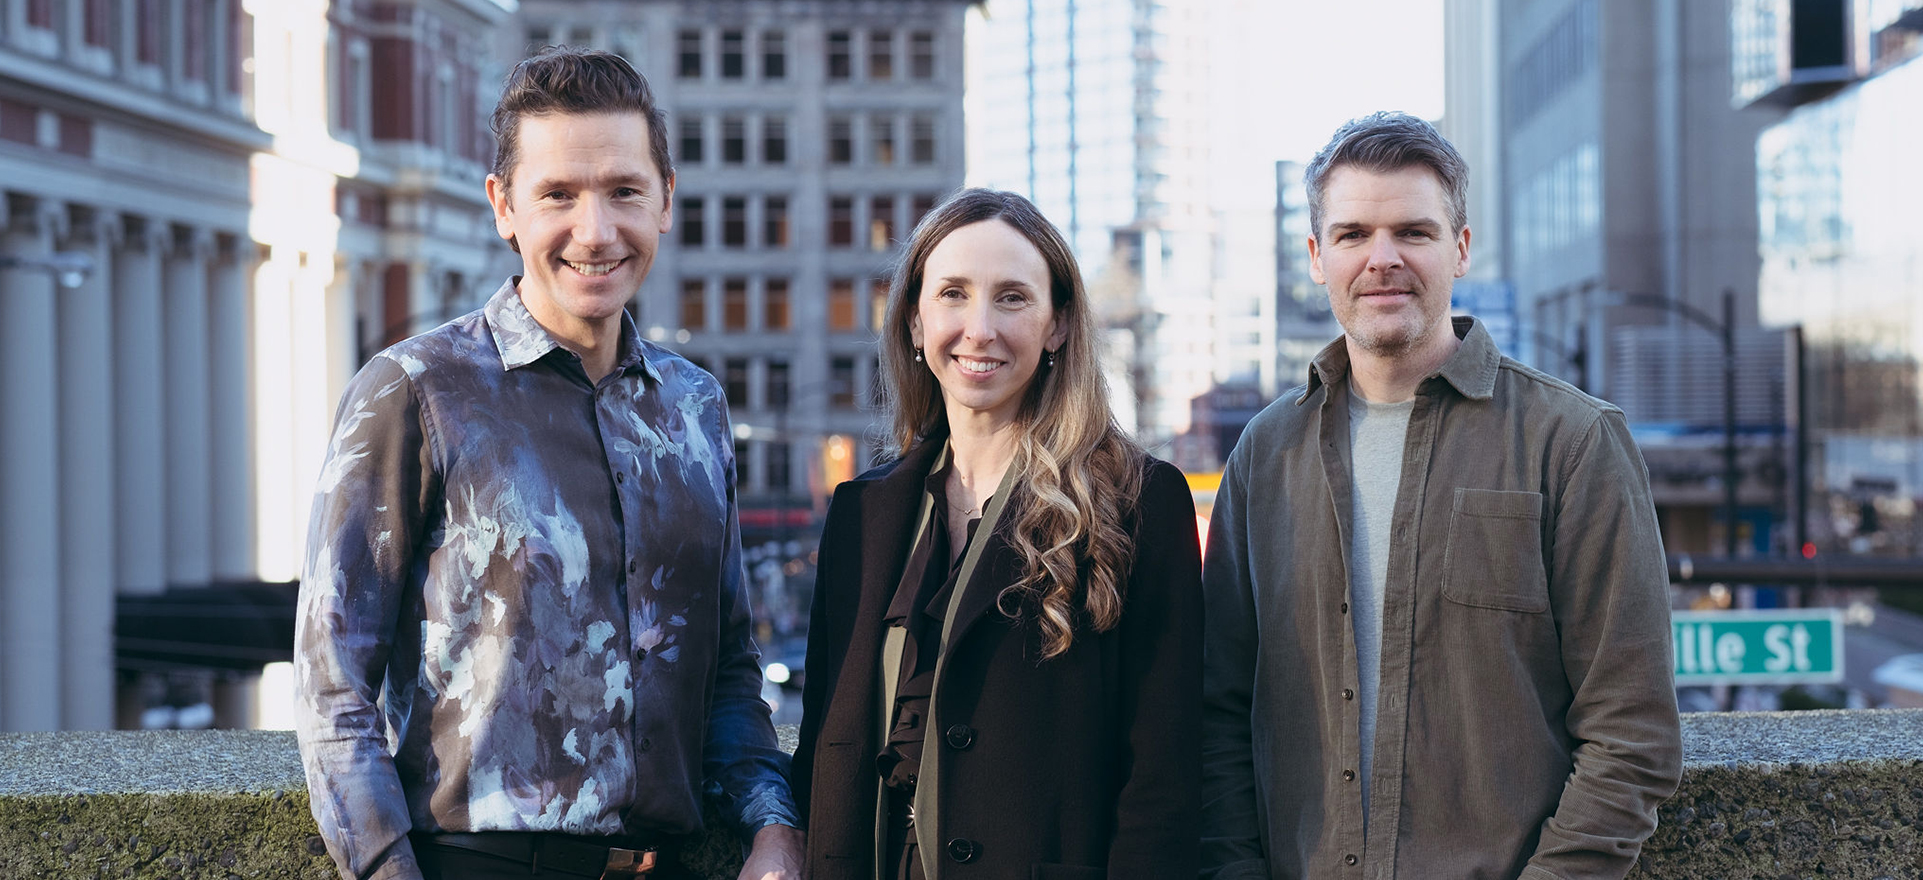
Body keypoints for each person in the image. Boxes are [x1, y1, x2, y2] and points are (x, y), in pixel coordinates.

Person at [294, 47, 802, 880]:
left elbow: (729, 667)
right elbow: (333, 688)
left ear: (665, 200)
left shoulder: (696, 407)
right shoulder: (417, 390)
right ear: (504, 207)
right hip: (479, 862)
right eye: (558, 195)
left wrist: (774, 829)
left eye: (624, 193)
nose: (595, 232)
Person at [1200, 112, 1682, 880]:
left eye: (1413, 233)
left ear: (1459, 248)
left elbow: (1632, 733)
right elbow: (1219, 710)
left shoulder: (1572, 441)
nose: (1381, 259)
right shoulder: (1265, 452)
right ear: (1317, 258)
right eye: (1353, 234)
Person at [792, 188, 1202, 879]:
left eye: (1011, 298)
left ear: (1057, 326)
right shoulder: (861, 514)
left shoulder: (1139, 501)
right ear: (915, 323)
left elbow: (1163, 776)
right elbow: (819, 747)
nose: (978, 328)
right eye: (952, 294)